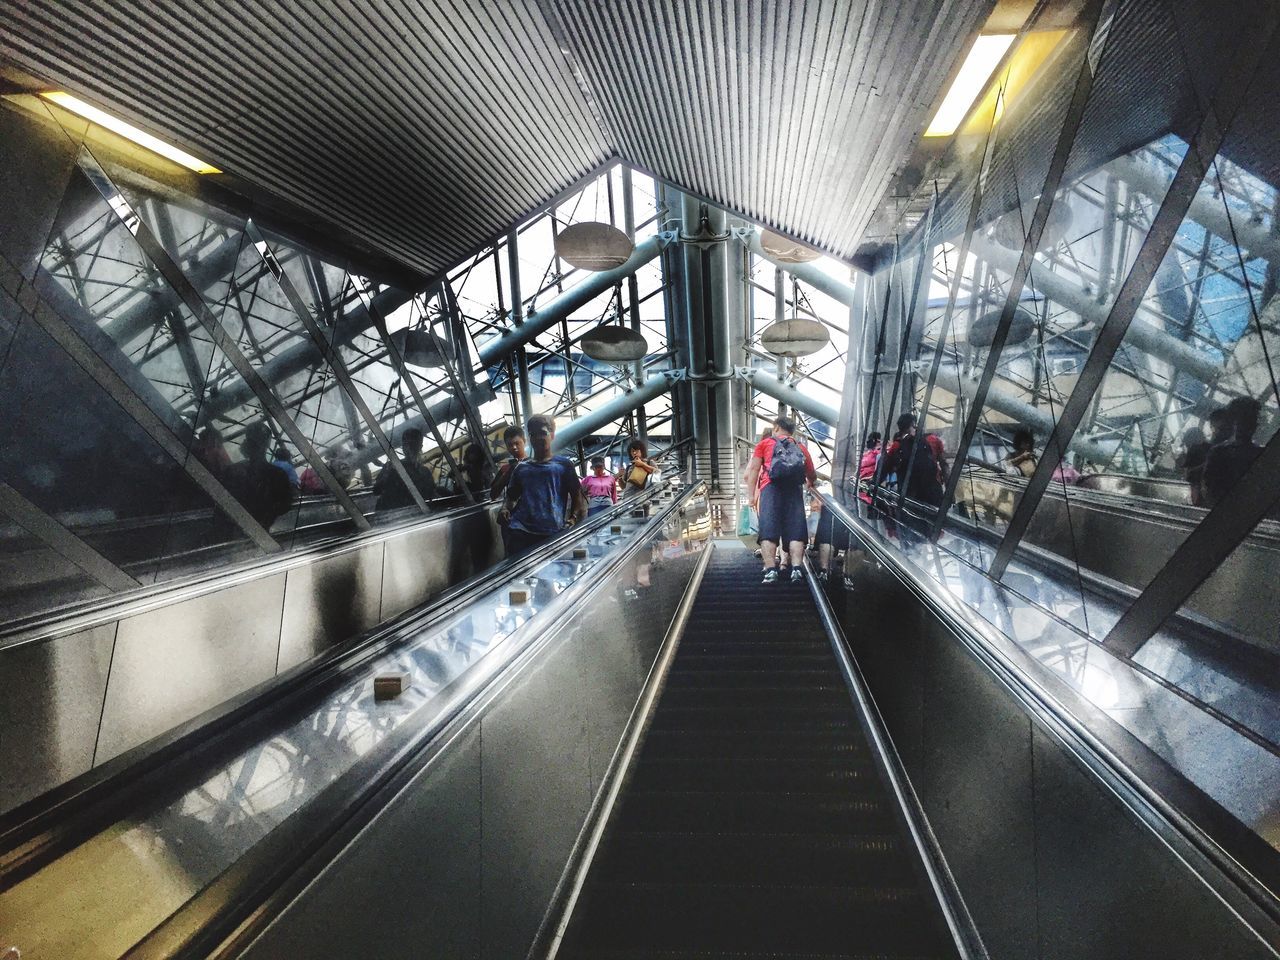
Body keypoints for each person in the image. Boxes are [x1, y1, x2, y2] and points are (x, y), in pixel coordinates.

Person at [499, 414, 586, 558]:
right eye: (534, 434)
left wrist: (573, 520)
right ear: (530, 438)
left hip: (551, 533)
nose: (539, 438)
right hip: (520, 532)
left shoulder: (564, 465)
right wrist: (505, 509)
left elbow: (578, 498)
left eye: (543, 433)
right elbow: (511, 498)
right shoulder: (521, 468)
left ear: (552, 435)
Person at [743, 415, 817, 584]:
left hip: (770, 489)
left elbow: (754, 470)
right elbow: (811, 473)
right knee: (796, 530)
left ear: (776, 428)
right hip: (794, 490)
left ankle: (770, 571)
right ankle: (797, 569)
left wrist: (751, 497)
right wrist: (810, 484)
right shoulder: (800, 447)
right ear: (792, 431)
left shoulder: (764, 444)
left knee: (768, 530)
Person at [224, 422, 295, 530]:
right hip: (263, 531)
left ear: (246, 441)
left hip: (235, 530)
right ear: (267, 444)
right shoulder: (278, 474)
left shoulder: (233, 471)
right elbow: (285, 505)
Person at [1203, 397, 1264, 506]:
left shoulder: (1218, 452)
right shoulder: (1261, 455)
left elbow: (1209, 491)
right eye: (1246, 420)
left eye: (1251, 420)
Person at [373, 427, 437, 511]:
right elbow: (377, 490)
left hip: (402, 517)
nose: (409, 448)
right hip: (396, 518)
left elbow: (376, 491)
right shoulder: (392, 467)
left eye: (413, 444)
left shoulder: (425, 472)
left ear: (420, 446)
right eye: (407, 444)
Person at [490, 425, 527, 498]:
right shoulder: (505, 469)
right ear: (506, 446)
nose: (514, 447)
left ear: (524, 441)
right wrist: (508, 473)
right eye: (510, 445)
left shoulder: (534, 463)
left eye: (517, 443)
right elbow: (493, 495)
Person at [1176, 426, 1210, 506]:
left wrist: (1178, 458)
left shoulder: (1193, 449)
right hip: (1209, 483)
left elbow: (1186, 469)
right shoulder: (1210, 446)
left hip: (1197, 482)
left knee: (1197, 502)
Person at [857, 432, 881, 504]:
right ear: (876, 441)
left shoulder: (865, 455)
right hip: (869, 483)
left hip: (863, 484)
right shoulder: (876, 453)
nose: (880, 443)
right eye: (879, 441)